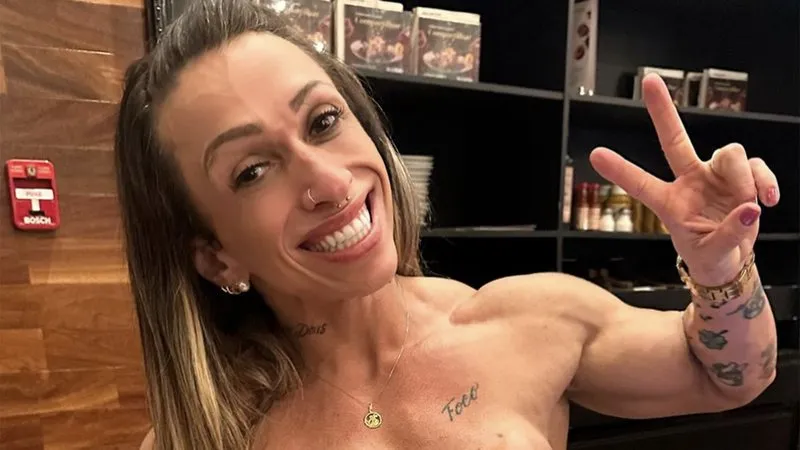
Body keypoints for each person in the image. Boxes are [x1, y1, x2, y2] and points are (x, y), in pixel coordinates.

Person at [117, 1, 779, 449]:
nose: (330, 183)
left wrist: (721, 268)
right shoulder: (204, 436)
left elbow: (730, 377)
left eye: (323, 121)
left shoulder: (528, 322)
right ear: (215, 255)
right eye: (253, 170)